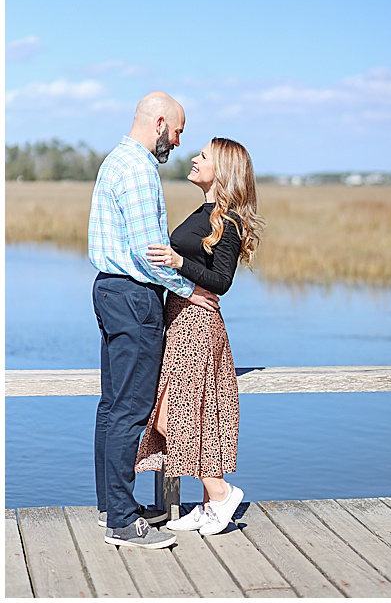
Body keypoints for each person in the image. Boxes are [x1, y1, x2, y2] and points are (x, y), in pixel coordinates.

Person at [89, 91, 220, 549]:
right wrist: (192, 291)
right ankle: (123, 523)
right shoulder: (140, 169)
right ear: (160, 122)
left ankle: (112, 505)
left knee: (112, 405)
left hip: (108, 289)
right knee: (131, 409)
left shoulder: (114, 160)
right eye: (179, 131)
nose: (179, 142)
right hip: (133, 297)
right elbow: (150, 255)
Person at [135, 137, 264, 536]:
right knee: (195, 416)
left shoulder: (227, 221)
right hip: (181, 319)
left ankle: (220, 493)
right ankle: (211, 506)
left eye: (204, 156)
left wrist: (176, 262)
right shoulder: (205, 211)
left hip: (197, 323)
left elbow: (222, 282)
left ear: (222, 170)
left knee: (169, 415)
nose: (194, 158)